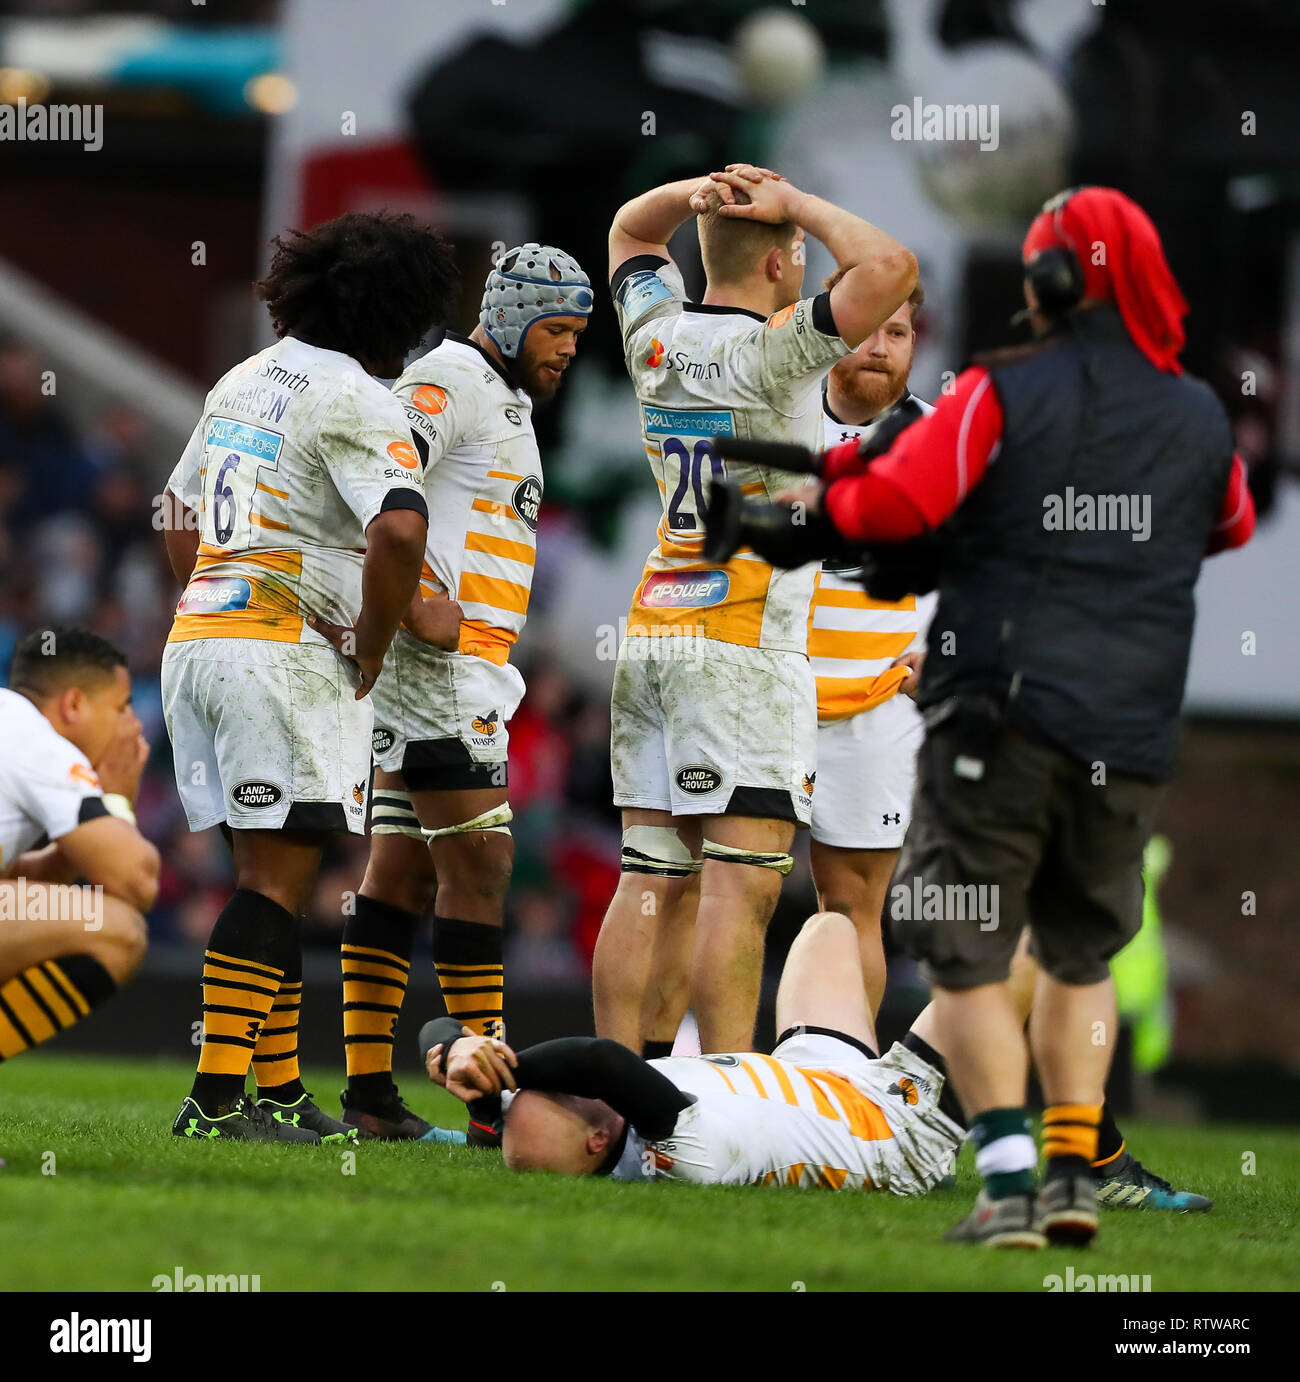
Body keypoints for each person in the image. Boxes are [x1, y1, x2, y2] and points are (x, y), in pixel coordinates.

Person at [722, 187, 1257, 1244]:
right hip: (1132, 734)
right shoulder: (1196, 411)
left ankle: (1008, 1182)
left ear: (1049, 282)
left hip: (1001, 717)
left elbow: (890, 509)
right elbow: (1227, 520)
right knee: (1077, 954)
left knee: (966, 952)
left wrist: (805, 506)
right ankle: (1073, 1168)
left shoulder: (998, 395)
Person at [596, 162, 918, 1057]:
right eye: (801, 256)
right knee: (742, 889)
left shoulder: (654, 332)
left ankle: (624, 1093)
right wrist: (802, 204)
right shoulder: (779, 349)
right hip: (743, 640)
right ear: (783, 265)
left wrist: (702, 187)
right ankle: (727, 1093)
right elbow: (891, 268)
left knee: (650, 881)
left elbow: (630, 229)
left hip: (656, 621)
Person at [159, 211, 459, 1142]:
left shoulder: (243, 377)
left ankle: (280, 1091)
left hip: (200, 639)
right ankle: (212, 1103)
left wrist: (216, 595)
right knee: (274, 881)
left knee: (267, 870)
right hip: (280, 654)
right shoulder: (361, 398)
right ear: (400, 314)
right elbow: (402, 529)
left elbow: (176, 510)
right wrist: (372, 644)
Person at [340, 244, 592, 1142]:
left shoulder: (505, 397)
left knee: (401, 872)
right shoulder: (452, 378)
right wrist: (410, 605)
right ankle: (492, 1106)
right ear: (517, 317)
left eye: (577, 334)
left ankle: (370, 1098)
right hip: (443, 674)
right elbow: (368, 475)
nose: (568, 349)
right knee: (481, 866)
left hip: (463, 669)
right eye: (557, 330)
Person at [423, 911, 969, 1199]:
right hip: (891, 1129)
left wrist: (452, 1049)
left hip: (811, 1077)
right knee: (999, 964)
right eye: (563, 1095)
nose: (556, 1083)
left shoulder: (577, 1125)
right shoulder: (681, 1155)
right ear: (596, 1141)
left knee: (830, 930)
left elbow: (432, 1027)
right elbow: (600, 1060)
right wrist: (504, 1065)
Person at [0, 628, 158, 1060]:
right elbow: (137, 881)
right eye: (121, 707)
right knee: (116, 929)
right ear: (73, 705)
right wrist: (118, 803)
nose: (132, 725)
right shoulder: (40, 743)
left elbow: (17, 883)